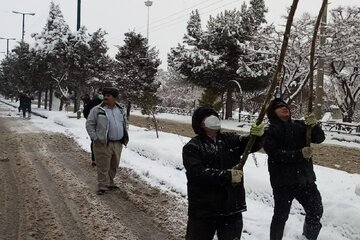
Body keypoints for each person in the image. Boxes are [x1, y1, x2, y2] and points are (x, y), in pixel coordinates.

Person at [183, 106, 265, 240]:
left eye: (214, 115)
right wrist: (227, 176)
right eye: (206, 117)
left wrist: (258, 135)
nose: (212, 119)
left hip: (231, 208)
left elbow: (248, 144)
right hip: (203, 210)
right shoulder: (192, 147)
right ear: (200, 123)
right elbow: (198, 173)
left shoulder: (229, 140)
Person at [263, 98, 325, 240]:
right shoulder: (271, 131)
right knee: (281, 216)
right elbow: (274, 153)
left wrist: (314, 126)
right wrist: (299, 154)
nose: (284, 108)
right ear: (273, 113)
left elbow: (319, 138)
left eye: (285, 106)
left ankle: (308, 237)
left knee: (316, 210)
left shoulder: (300, 126)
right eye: (279, 107)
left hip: (305, 179)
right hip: (283, 181)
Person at [86, 87, 129, 195]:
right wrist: (95, 138)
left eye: (108, 96)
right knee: (103, 166)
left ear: (114, 98)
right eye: (105, 95)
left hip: (118, 143)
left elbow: (124, 123)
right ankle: (102, 186)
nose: (105, 97)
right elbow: (89, 124)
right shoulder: (97, 110)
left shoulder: (120, 109)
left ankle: (110, 182)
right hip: (103, 143)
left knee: (114, 165)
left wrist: (124, 135)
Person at [83, 92, 104, 167]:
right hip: (94, 126)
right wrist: (90, 120)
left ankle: (102, 159)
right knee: (95, 142)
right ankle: (94, 159)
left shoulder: (107, 103)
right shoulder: (92, 102)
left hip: (104, 127)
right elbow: (85, 112)